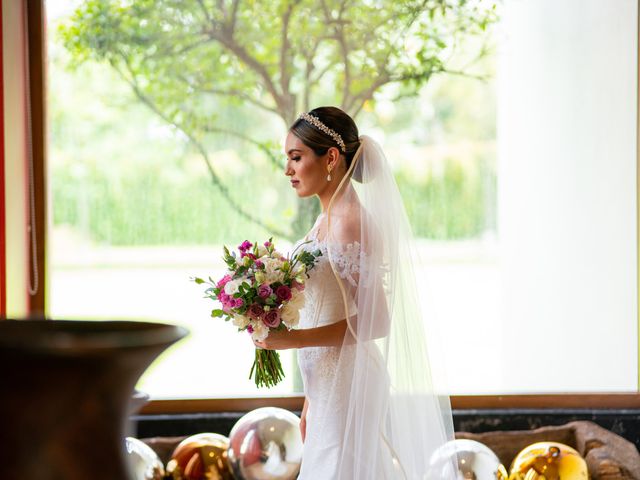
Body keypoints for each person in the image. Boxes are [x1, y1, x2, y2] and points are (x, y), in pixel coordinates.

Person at [253, 106, 455, 479]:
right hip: (326, 386)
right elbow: (326, 306)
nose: (288, 170)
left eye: (296, 158)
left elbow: (376, 321)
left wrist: (292, 339)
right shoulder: (324, 219)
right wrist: (310, 403)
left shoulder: (351, 224)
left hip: (349, 383)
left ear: (330, 157)